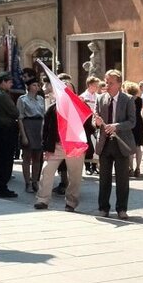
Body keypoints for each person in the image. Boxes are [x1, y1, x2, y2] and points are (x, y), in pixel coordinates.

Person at [35, 76, 89, 212]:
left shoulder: (80, 106)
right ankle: (42, 200)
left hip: (74, 146)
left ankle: (71, 203)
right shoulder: (53, 108)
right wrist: (46, 148)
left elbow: (89, 126)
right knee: (47, 171)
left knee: (75, 176)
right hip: (56, 146)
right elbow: (45, 130)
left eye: (68, 90)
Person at [93, 70, 136, 219]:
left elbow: (132, 122)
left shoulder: (128, 99)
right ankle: (103, 208)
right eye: (106, 82)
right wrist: (97, 123)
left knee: (122, 179)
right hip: (105, 143)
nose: (108, 85)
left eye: (111, 83)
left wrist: (116, 126)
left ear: (119, 83)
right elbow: (95, 120)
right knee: (104, 178)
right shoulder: (100, 99)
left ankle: (122, 209)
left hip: (121, 143)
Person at [0, 73, 21, 198]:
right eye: (9, 82)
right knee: (5, 160)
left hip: (5, 130)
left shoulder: (2, 94)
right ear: (3, 82)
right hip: (5, 131)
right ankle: (2, 187)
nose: (11, 84)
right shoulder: (2, 95)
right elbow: (15, 112)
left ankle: (2, 186)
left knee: (5, 159)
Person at [17, 77, 46, 193]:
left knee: (37, 157)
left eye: (37, 85)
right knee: (27, 156)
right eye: (34, 85)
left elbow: (44, 114)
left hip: (39, 126)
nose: (36, 87)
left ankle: (35, 181)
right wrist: (23, 135)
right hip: (28, 124)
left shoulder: (41, 99)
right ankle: (27, 182)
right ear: (28, 87)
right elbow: (20, 118)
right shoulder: (22, 99)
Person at [123, 81, 143, 178]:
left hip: (130, 123)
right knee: (138, 146)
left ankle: (130, 168)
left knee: (130, 147)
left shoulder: (127, 99)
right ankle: (138, 168)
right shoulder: (139, 100)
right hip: (139, 123)